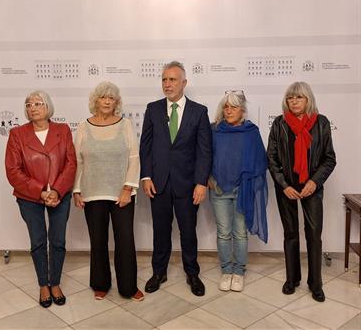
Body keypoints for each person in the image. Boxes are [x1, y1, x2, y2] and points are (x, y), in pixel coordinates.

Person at [139, 61, 212, 296]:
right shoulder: (152, 109)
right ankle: (158, 272)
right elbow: (146, 147)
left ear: (184, 83)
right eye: (164, 80)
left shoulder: (199, 111)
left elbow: (204, 150)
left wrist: (201, 182)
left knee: (188, 231)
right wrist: (146, 176)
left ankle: (192, 274)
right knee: (160, 231)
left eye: (172, 79)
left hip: (188, 184)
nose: (167, 84)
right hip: (158, 183)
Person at [73, 81, 144, 302]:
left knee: (125, 241)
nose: (106, 101)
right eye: (103, 97)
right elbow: (78, 161)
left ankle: (129, 287)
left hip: (121, 195)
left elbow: (134, 159)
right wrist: (76, 190)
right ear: (95, 100)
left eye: (111, 98)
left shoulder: (125, 125)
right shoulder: (83, 127)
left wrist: (127, 189)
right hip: (92, 193)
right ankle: (100, 284)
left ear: (116, 102)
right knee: (98, 240)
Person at [5, 90, 76, 308]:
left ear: (47, 107)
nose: (32, 107)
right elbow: (13, 171)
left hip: (59, 195)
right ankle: (43, 285)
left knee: (58, 241)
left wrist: (56, 190)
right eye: (28, 104)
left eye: (37, 103)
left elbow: (71, 164)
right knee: (37, 242)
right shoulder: (17, 134)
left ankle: (55, 283)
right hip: (29, 197)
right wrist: (40, 191)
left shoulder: (62, 130)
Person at [267, 82, 336, 302]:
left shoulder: (321, 122)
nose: (294, 101)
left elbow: (329, 158)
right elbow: (272, 158)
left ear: (308, 100)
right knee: (291, 233)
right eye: (290, 98)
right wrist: (284, 185)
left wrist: (314, 182)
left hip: (311, 187)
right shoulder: (279, 124)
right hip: (286, 187)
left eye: (299, 97)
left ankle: (316, 284)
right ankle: (292, 279)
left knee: (314, 235)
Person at [209, 90, 268, 292]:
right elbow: (203, 155)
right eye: (226, 106)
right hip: (218, 189)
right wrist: (208, 178)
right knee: (224, 233)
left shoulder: (251, 131)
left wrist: (248, 182)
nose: (228, 110)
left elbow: (261, 161)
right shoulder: (214, 130)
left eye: (233, 106)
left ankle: (239, 271)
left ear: (242, 109)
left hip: (242, 190)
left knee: (240, 233)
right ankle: (226, 271)